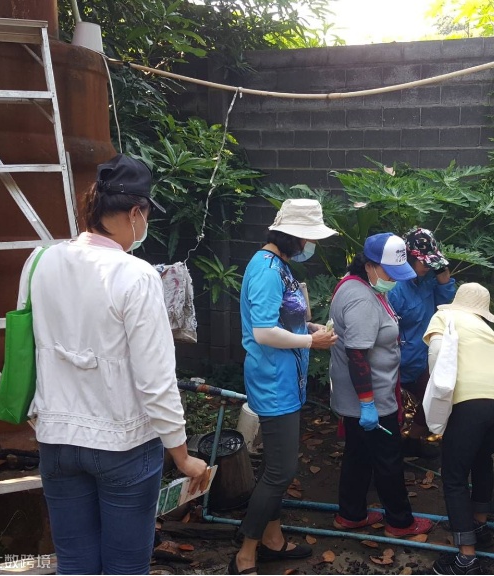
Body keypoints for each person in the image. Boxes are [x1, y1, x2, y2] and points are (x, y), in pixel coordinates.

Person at [22, 154, 210, 575]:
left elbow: (29, 346)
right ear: (135, 212)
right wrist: (182, 456)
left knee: (75, 562)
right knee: (125, 566)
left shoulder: (39, 261)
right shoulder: (136, 275)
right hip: (123, 444)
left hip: (57, 437)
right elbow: (156, 379)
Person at [234, 198, 339, 575]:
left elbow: (281, 319)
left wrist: (307, 328)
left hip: (285, 379)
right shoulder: (266, 270)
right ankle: (245, 553)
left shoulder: (279, 266)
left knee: (274, 467)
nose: (311, 245)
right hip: (272, 381)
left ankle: (273, 539)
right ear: (292, 236)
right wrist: (312, 342)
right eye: (308, 238)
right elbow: (263, 332)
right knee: (281, 471)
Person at [329, 233, 434, 538]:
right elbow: (357, 354)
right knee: (388, 459)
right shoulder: (361, 298)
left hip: (367, 393)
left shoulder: (365, 285)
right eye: (390, 273)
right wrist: (367, 403)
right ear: (370, 265)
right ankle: (400, 523)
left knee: (358, 454)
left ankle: (351, 514)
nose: (394, 279)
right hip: (370, 396)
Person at [423, 283, 494, 575]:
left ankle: (466, 558)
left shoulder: (445, 317)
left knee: (453, 475)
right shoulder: (487, 331)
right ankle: (479, 526)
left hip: (472, 401)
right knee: (481, 458)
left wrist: (438, 405)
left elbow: (437, 357)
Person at [388, 227, 456, 458]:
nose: (427, 266)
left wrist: (444, 281)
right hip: (398, 361)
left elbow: (445, 310)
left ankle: (413, 440)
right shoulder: (395, 288)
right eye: (423, 261)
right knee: (391, 412)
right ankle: (390, 451)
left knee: (436, 401)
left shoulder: (428, 280)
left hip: (425, 357)